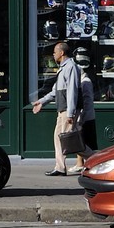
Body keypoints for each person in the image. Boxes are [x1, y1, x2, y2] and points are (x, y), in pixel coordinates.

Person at [30, 38, 81, 175]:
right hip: (62, 109)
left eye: (55, 52)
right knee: (62, 138)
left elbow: (72, 91)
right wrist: (41, 102)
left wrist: (70, 113)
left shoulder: (71, 67)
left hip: (66, 110)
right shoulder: (63, 68)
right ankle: (60, 167)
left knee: (71, 141)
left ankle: (96, 160)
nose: (53, 54)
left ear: (62, 52)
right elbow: (55, 91)